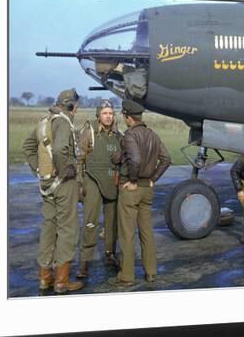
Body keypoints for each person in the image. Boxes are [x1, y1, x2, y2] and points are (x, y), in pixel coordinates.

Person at [22, 88, 84, 294]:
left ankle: (44, 277)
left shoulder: (44, 121)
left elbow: (28, 147)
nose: (76, 109)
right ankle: (61, 281)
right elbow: (59, 150)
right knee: (68, 229)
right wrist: (64, 169)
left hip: (46, 183)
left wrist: (39, 169)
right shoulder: (63, 122)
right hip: (63, 183)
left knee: (49, 227)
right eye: (75, 105)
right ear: (70, 105)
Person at [109, 100, 171, 287]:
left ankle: (126, 276)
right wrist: (153, 179)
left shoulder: (130, 134)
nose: (124, 120)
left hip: (132, 189)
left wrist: (133, 181)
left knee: (127, 234)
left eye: (124, 116)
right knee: (147, 232)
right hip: (148, 190)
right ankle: (151, 272)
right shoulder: (152, 134)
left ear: (129, 117)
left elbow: (135, 159)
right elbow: (166, 159)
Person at [75, 100, 123, 279]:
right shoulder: (89, 132)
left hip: (112, 181)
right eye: (105, 113)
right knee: (90, 222)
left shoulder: (119, 135)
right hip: (92, 180)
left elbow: (123, 160)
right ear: (98, 115)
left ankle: (110, 254)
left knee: (112, 222)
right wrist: (80, 184)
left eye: (111, 113)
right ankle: (84, 262)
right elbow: (79, 159)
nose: (108, 116)